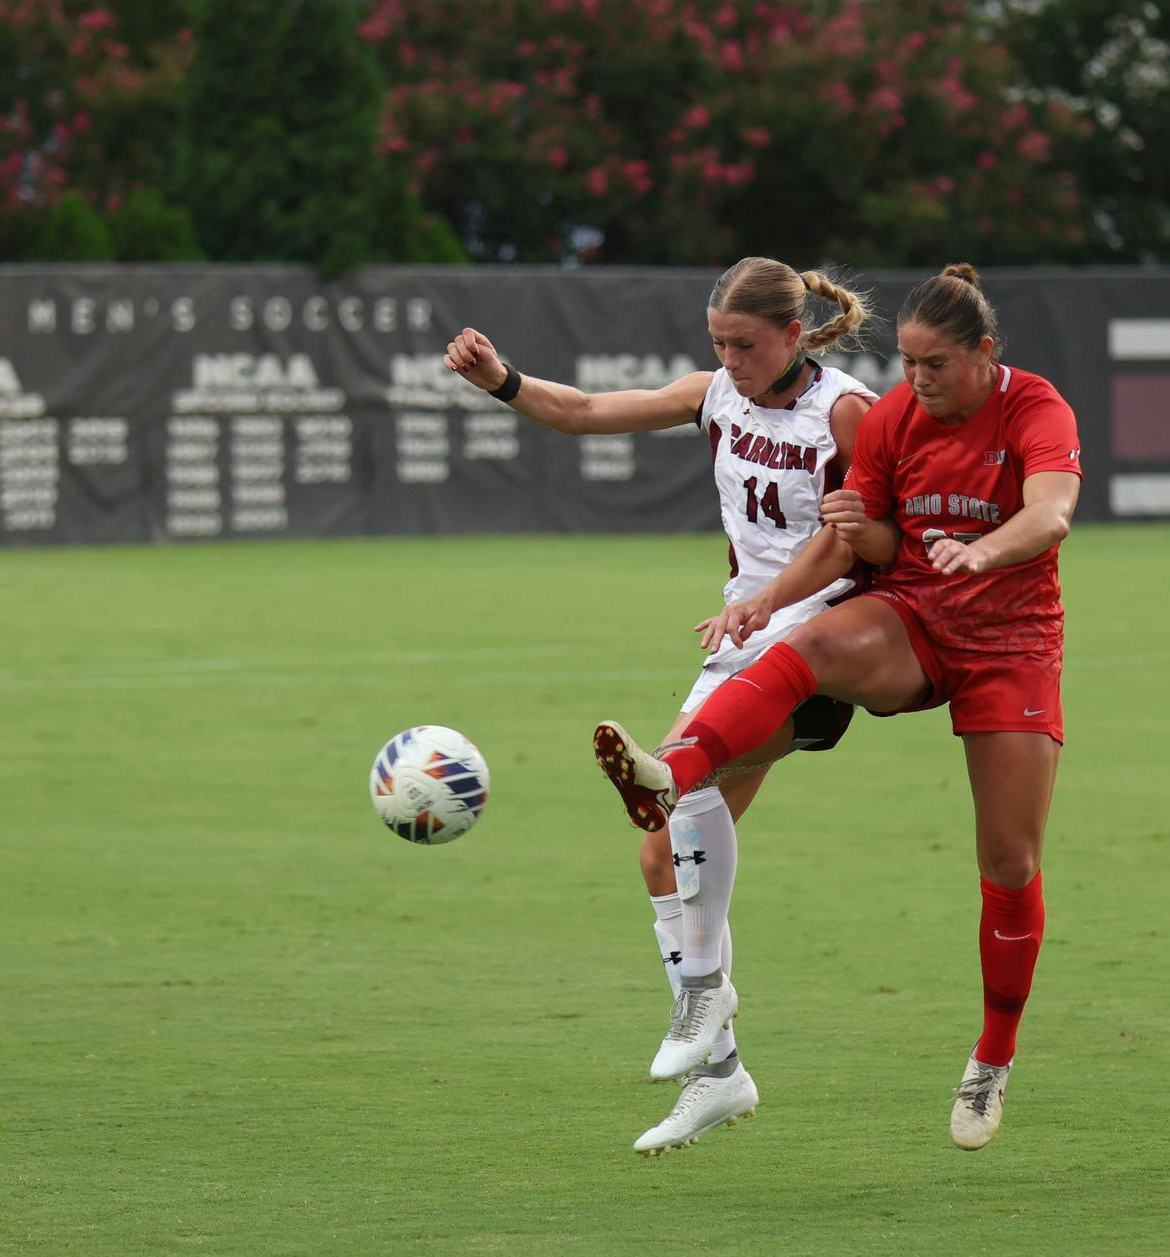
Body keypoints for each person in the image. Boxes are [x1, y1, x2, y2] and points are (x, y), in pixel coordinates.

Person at [593, 262, 1081, 1151]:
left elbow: (1051, 515)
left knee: (1009, 861)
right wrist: (767, 602)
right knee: (806, 648)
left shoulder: (1036, 408)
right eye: (907, 361)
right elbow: (853, 539)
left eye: (935, 364)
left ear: (984, 353)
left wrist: (985, 552)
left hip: (1010, 645)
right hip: (918, 620)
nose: (917, 379)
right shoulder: (895, 418)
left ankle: (991, 1057)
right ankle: (675, 770)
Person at [444, 257, 881, 1155]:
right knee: (656, 856)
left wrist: (763, 604)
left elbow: (851, 545)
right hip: (742, 637)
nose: (729, 358)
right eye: (717, 341)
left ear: (794, 335)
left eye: (746, 344)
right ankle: (721, 1075)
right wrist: (504, 381)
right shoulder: (715, 393)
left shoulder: (844, 411)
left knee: (681, 778)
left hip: (817, 642)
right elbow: (585, 413)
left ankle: (703, 990)